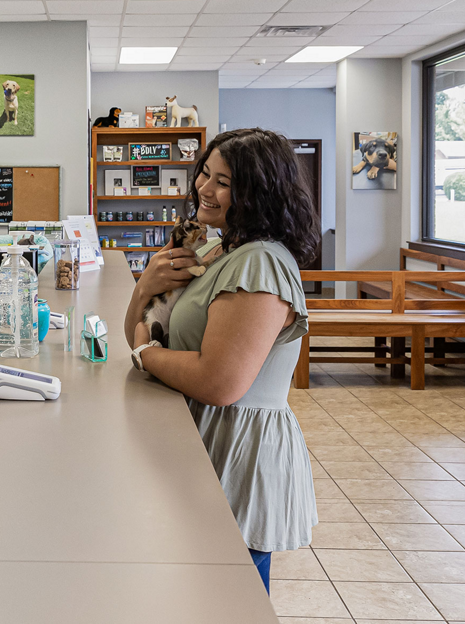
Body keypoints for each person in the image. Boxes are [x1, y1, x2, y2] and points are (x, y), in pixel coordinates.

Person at [124, 128, 319, 594]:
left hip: (235, 453)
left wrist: (147, 354)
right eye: (205, 175)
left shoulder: (262, 264)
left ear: (258, 191)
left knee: (227, 601)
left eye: (224, 182)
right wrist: (144, 287)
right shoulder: (217, 249)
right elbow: (139, 328)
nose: (204, 190)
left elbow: (220, 381)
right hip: (199, 446)